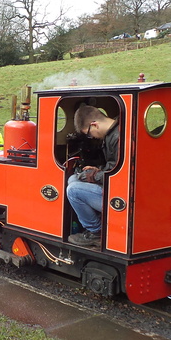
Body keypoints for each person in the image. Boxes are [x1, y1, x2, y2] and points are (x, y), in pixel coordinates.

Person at [66, 105, 120, 247]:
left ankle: (96, 232)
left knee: (73, 190)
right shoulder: (113, 133)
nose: (91, 137)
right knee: (73, 179)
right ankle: (92, 225)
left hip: (118, 194)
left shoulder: (118, 137)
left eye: (89, 134)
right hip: (112, 185)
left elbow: (121, 173)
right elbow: (114, 165)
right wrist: (97, 169)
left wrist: (94, 176)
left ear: (94, 125)